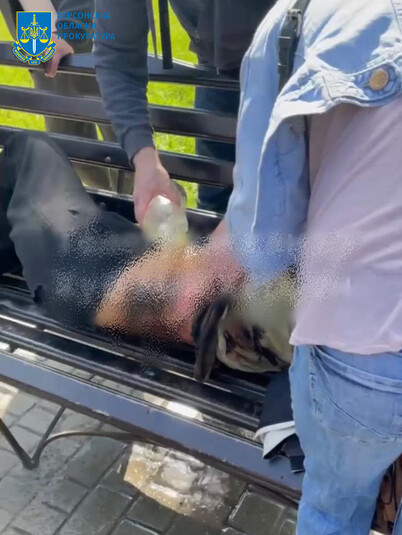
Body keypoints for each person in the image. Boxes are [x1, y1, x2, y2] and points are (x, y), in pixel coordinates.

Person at [219, 0, 402, 533]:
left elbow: (264, 243)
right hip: (362, 333)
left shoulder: (297, 16)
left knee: (332, 510)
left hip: (357, 340)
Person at [87, 0, 273, 218]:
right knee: (216, 205)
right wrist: (145, 160)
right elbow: (116, 55)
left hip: (289, 62)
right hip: (217, 63)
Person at [0, 0, 119, 190]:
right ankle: (107, 200)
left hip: (90, 21)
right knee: (69, 145)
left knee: (121, 137)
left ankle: (134, 201)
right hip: (34, 24)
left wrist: (68, 30)